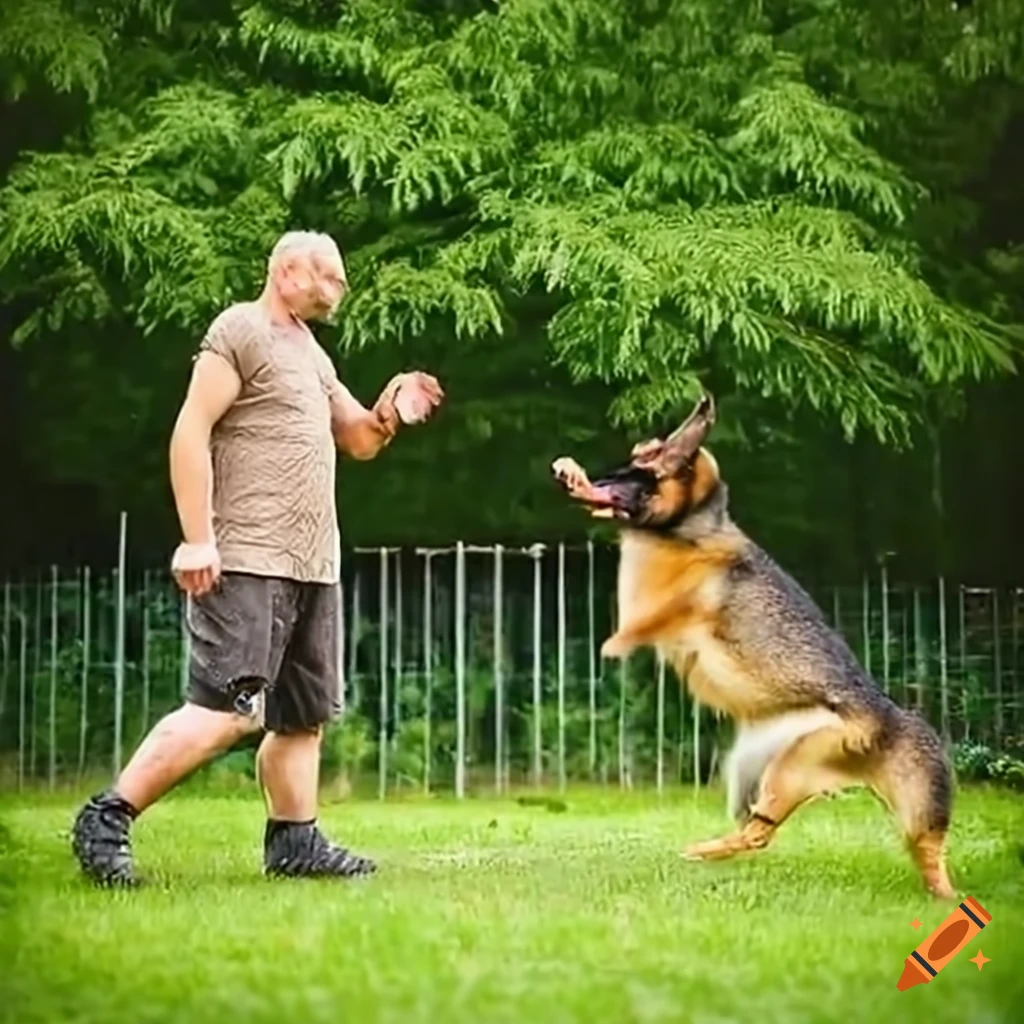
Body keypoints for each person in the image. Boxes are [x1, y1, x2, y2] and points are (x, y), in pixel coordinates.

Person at [70, 230, 444, 886]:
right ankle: (107, 816)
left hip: (311, 562)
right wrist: (197, 536)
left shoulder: (311, 352)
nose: (340, 288)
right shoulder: (239, 329)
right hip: (246, 554)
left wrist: (390, 408)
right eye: (329, 275)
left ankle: (295, 842)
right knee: (222, 710)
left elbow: (357, 438)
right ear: (287, 269)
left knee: (303, 716)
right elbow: (191, 428)